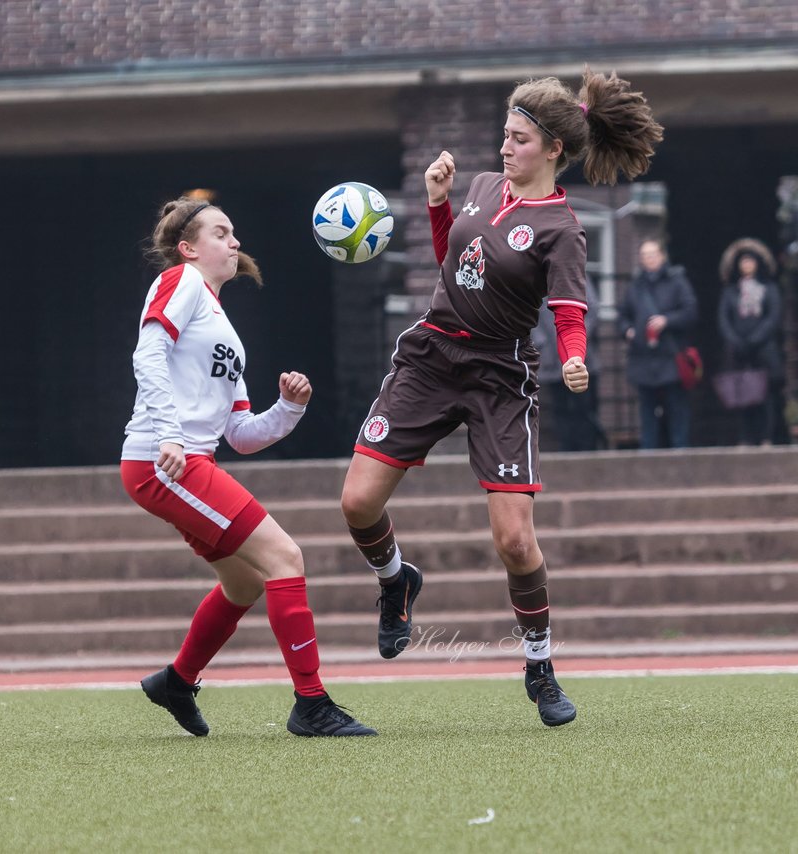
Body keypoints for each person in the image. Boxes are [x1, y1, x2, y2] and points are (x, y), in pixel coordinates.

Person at [340, 69, 663, 728]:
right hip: (431, 357)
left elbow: (569, 311)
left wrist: (574, 358)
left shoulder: (562, 228)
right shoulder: (485, 186)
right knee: (356, 502)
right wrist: (437, 204)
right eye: (504, 135)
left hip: (499, 375)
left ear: (552, 150)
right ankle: (396, 580)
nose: (504, 149)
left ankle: (540, 666)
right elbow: (457, 264)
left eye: (517, 140)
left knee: (515, 542)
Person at [124, 196, 376, 738]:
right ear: (188, 248)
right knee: (285, 557)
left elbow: (240, 435)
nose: (234, 241)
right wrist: (169, 435)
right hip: (162, 460)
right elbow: (146, 355)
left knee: (243, 584)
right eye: (220, 233)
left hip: (185, 459)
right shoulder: (181, 280)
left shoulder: (225, 330)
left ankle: (177, 680)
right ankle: (311, 704)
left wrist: (289, 408)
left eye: (234, 232)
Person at [618, 240, 698, 449]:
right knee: (646, 410)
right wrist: (628, 330)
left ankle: (680, 451)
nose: (649, 259)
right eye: (644, 255)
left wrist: (667, 320)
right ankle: (649, 452)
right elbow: (623, 315)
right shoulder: (636, 286)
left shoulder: (677, 281)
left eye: (652, 254)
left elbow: (690, 312)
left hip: (670, 356)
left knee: (676, 408)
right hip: (643, 356)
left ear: (662, 256)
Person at [717, 238, 788, 446]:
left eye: (750, 261)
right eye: (743, 262)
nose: (747, 265)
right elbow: (724, 319)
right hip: (739, 352)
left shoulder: (770, 289)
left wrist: (755, 339)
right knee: (743, 397)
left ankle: (767, 437)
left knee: (766, 397)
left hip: (763, 351)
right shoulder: (730, 292)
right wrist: (736, 340)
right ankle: (746, 437)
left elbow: (773, 317)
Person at [532, 275, 607, 451]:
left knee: (584, 408)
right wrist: (543, 344)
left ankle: (587, 450)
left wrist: (575, 341)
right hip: (552, 359)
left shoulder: (578, 277)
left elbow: (592, 310)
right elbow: (531, 317)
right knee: (560, 409)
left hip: (580, 358)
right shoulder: (537, 280)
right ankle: (567, 449)